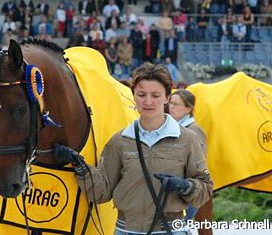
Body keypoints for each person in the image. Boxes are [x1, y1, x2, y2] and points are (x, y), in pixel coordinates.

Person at [51, 63, 213, 234]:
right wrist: (80, 166)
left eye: (156, 95)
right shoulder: (119, 141)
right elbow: (102, 191)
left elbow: (205, 187)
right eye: (141, 94)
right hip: (126, 231)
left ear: (167, 97)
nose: (148, 101)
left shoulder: (188, 139)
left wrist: (186, 186)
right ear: (133, 96)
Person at [167, 89, 207, 221]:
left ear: (188, 109)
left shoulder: (193, 130)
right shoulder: (176, 128)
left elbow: (198, 164)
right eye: (171, 103)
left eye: (176, 104)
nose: (171, 107)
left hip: (187, 190)